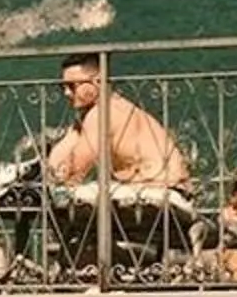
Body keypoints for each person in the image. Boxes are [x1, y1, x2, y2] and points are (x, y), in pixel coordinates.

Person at [47, 53, 191, 195]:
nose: (66, 93)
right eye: (63, 87)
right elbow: (62, 154)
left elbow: (76, 168)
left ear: (97, 81)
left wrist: (55, 185)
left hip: (158, 190)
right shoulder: (105, 108)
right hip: (164, 189)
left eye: (72, 86)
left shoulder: (102, 113)